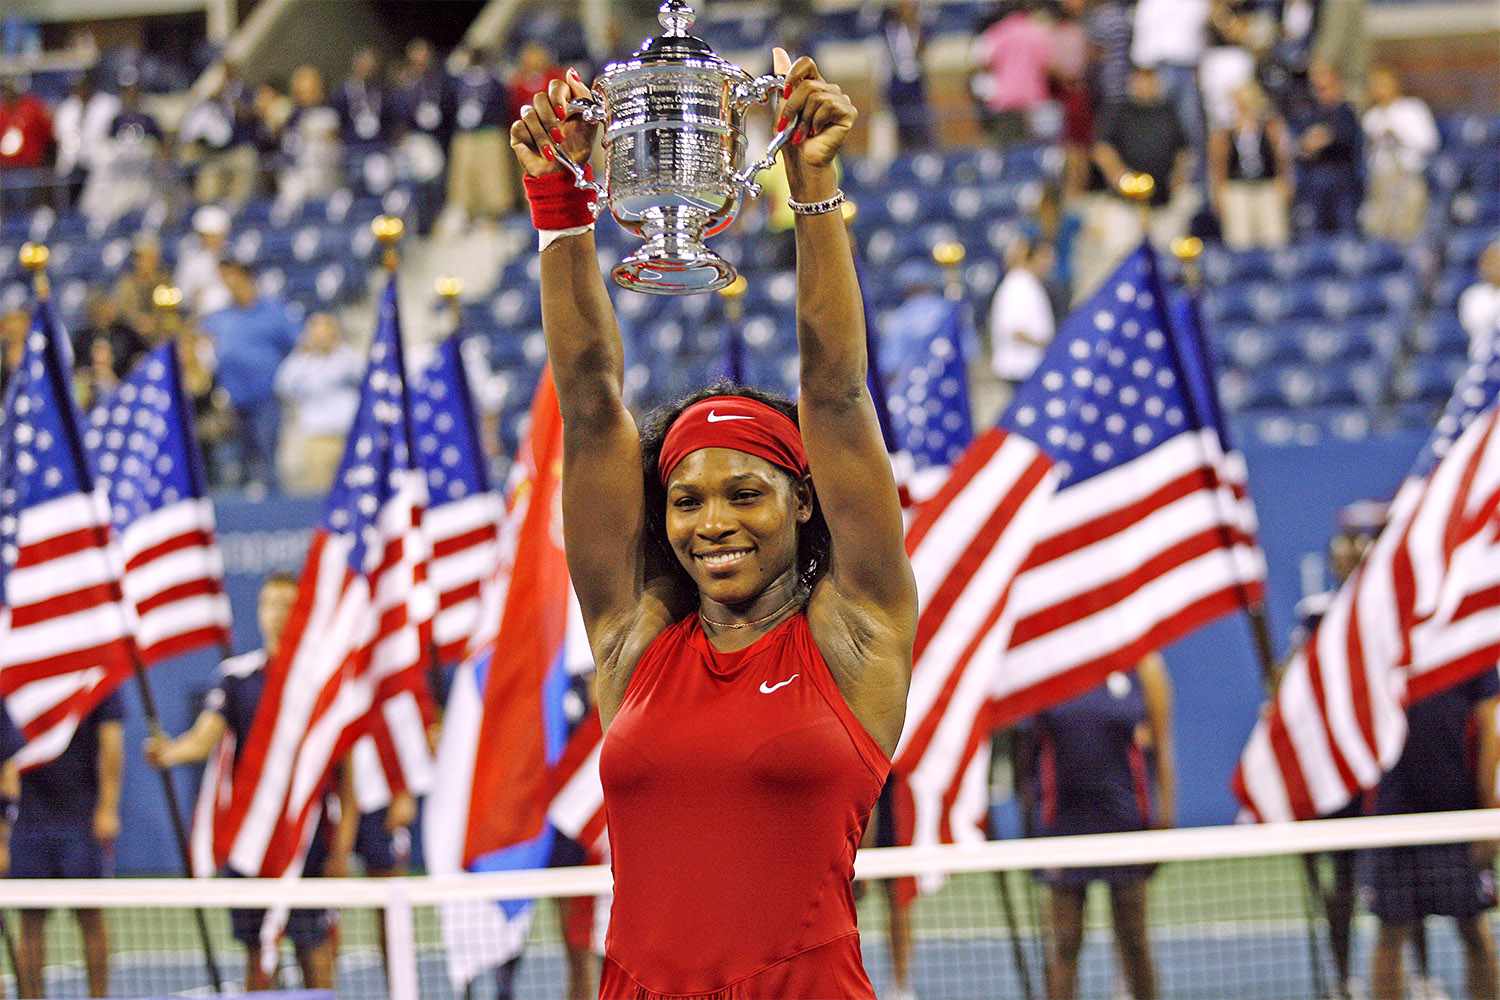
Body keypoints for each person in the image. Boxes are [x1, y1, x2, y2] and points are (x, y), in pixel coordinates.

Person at [510, 47, 915, 998]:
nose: (711, 523)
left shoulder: (854, 632)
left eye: (745, 493)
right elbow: (590, 399)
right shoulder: (633, 641)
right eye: (686, 499)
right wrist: (560, 209)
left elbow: (838, 391)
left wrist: (812, 191)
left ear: (803, 500)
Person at [146, 574, 353, 991]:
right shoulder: (237, 678)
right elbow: (205, 737)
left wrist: (342, 846)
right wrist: (172, 751)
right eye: (269, 604)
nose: (278, 614)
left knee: (314, 948)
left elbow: (346, 773)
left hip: (306, 843)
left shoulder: (323, 681)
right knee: (257, 954)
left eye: (287, 605)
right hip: (250, 845)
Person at [1019, 655, 1175, 1000]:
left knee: (1134, 939)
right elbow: (1027, 757)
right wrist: (1031, 830)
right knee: (1064, 943)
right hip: (1063, 829)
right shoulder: (1047, 661)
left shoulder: (1144, 666)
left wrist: (1165, 820)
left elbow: (1162, 747)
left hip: (1125, 825)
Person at [1363, 669, 1499, 1000]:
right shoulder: (1381, 641)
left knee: (1473, 930)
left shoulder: (1469, 647)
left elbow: (1489, 729)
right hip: (1394, 820)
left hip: (1458, 818)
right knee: (1391, 932)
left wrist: (1488, 816)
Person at [2, 692, 125, 999]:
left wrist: (107, 807)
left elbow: (112, 741)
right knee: (30, 922)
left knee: (90, 915)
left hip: (82, 820)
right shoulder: (16, 674)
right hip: (28, 820)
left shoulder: (97, 678)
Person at [1078, 64, 1194, 297]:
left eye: (1151, 78)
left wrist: (1179, 176)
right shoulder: (1119, 111)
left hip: (1163, 204)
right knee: (1119, 259)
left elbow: (1184, 149)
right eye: (1141, 78)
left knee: (1165, 262)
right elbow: (1101, 148)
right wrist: (1120, 177)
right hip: (1125, 205)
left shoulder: (1167, 110)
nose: (1146, 84)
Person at [200, 260, 301, 494]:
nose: (231, 286)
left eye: (235, 279)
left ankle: (278, 517)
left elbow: (297, 345)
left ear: (249, 280)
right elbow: (202, 344)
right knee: (236, 464)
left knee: (267, 458)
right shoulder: (221, 316)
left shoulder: (274, 312)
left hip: (266, 396)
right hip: (231, 400)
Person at [273, 311, 363, 496]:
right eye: (316, 329)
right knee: (320, 493)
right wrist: (303, 354)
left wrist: (337, 348)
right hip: (318, 437)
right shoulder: (300, 361)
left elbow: (365, 378)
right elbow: (281, 386)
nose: (321, 334)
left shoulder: (346, 357)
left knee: (355, 490)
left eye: (326, 329)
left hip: (349, 436)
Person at [1208, 81, 1294, 249]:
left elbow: (1281, 157)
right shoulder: (1225, 131)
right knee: (1240, 240)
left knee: (1274, 238)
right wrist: (1219, 191)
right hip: (1237, 188)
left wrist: (1284, 181)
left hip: (1266, 186)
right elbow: (1218, 164)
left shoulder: (1270, 126)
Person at [1361, 65, 1438, 243]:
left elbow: (1429, 143)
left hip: (1408, 175)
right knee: (1380, 231)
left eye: (1382, 84)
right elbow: (1367, 154)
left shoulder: (1412, 109)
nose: (1378, 89)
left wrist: (1399, 135)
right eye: (1374, 85)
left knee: (1409, 231)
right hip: (1382, 178)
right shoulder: (1371, 117)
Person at [445, 47, 515, 230]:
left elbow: (504, 107)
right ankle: (467, 212)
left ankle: (493, 214)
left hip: (489, 133)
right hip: (465, 134)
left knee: (491, 174)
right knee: (465, 174)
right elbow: (448, 105)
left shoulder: (494, 82)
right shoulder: (458, 82)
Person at [1130, 0, 1210, 158]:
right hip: (1157, 69)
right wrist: (1143, 73)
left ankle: (1197, 177)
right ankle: (1160, 172)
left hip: (1188, 68)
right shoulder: (1150, 4)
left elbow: (1201, 32)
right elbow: (1142, 33)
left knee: (1191, 125)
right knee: (1159, 124)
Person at [1292, 61, 1361, 235]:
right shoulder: (1309, 112)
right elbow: (1300, 145)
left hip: (1342, 178)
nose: (1322, 93)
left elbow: (1348, 139)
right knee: (1314, 230)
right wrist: (1308, 143)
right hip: (1315, 177)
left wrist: (1325, 138)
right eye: (1318, 88)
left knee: (1346, 228)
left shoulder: (1346, 111)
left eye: (1326, 87)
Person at [179, 60, 260, 207]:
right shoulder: (206, 99)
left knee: (247, 159)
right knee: (208, 181)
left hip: (235, 150)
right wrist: (211, 98)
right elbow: (189, 131)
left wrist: (228, 100)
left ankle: (238, 211)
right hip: (211, 154)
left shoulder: (243, 93)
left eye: (228, 74)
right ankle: (205, 213)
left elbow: (249, 114)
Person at [972, 2, 1053, 145]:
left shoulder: (997, 31)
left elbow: (983, 62)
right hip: (1033, 99)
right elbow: (1046, 65)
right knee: (1036, 151)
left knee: (1008, 150)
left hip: (1005, 100)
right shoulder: (1037, 32)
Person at [988, 236, 1056, 403]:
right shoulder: (1018, 285)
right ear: (1031, 257)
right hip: (1020, 368)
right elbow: (1016, 331)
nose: (1050, 263)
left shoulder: (1029, 283)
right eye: (1046, 257)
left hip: (1029, 367)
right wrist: (1051, 345)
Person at [865, 0, 932, 151]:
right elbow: (882, 61)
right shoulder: (887, 29)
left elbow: (920, 51)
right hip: (895, 84)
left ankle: (922, 153)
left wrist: (913, 24)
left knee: (920, 124)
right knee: (900, 127)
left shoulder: (918, 29)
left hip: (915, 83)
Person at [51, 72, 119, 208]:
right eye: (77, 86)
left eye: (84, 85)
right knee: (67, 205)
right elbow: (59, 138)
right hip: (70, 165)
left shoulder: (109, 104)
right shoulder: (66, 108)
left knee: (94, 207)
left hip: (99, 165)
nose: (81, 89)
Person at [0, 74, 53, 212]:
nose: (8, 93)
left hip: (29, 167)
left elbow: (48, 135)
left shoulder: (33, 107)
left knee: (27, 206)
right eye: (5, 89)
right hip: (5, 169)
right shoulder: (1, 111)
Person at [176, 204, 233, 318]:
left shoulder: (234, 257)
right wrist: (192, 295)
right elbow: (181, 292)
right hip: (201, 316)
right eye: (205, 236)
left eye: (214, 235)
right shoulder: (191, 260)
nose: (210, 240)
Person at [111, 233, 171, 341]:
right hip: (132, 332)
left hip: (158, 330)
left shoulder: (164, 281)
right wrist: (136, 319)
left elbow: (168, 309)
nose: (139, 262)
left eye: (144, 257)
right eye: (137, 257)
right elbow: (121, 308)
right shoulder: (127, 282)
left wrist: (153, 321)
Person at [334, 47, 393, 147]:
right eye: (363, 64)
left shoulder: (383, 91)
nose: (367, 69)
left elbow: (389, 119)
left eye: (371, 66)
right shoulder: (342, 92)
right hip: (352, 144)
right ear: (355, 65)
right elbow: (337, 121)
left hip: (379, 143)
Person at [1460, 241, 1500, 364]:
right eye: (1490, 262)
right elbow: (1475, 323)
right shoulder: (1473, 295)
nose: (1494, 268)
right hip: (1483, 363)